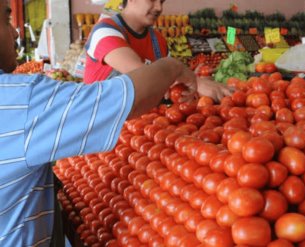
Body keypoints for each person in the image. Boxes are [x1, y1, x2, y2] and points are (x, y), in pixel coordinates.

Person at [0, 1, 197, 246]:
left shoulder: (158, 38)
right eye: (7, 20)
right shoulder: (21, 99)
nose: (16, 32)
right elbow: (127, 97)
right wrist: (174, 66)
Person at [84, 0, 232, 102]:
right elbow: (140, 72)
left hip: (140, 131)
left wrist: (191, 83)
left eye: (161, 1)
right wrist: (196, 82)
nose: (159, 8)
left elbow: (169, 87)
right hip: (101, 131)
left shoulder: (159, 41)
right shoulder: (105, 31)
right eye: (152, 0)